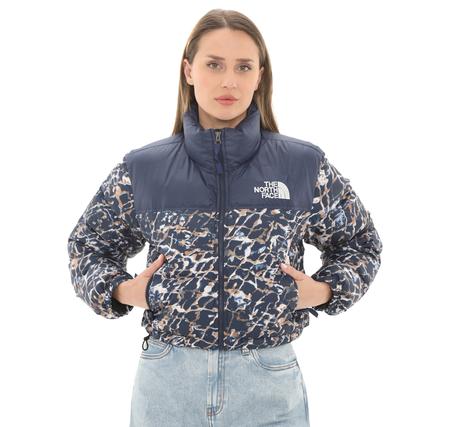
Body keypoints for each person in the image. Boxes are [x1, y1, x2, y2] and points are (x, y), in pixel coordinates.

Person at [67, 8, 383, 427]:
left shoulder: (301, 165)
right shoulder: (144, 169)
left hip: (267, 380)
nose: (229, 81)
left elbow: (361, 243)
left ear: (259, 76)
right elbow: (87, 246)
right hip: (168, 381)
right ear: (189, 71)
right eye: (214, 65)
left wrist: (325, 291)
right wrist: (120, 291)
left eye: (243, 67)